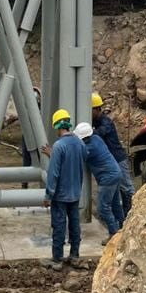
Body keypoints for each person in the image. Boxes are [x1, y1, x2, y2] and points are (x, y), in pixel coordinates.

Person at [43, 110, 85, 270]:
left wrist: (48, 194)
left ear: (56, 125)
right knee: (75, 224)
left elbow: (53, 174)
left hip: (60, 195)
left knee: (59, 226)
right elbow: (79, 162)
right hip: (75, 193)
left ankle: (57, 259)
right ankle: (74, 255)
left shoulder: (59, 146)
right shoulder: (79, 143)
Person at [74, 121, 123, 238]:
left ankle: (114, 234)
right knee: (115, 205)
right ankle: (123, 229)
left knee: (103, 208)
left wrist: (53, 153)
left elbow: (72, 157)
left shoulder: (88, 148)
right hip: (116, 172)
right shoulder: (96, 138)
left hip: (108, 178)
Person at [91, 92, 135, 218]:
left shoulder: (106, 122)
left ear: (96, 109)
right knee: (118, 190)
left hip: (118, 159)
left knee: (126, 188)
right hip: (111, 160)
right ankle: (124, 216)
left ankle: (133, 213)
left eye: (90, 110)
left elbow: (99, 134)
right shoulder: (96, 121)